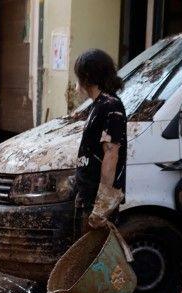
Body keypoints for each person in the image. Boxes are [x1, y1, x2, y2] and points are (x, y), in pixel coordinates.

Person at [71, 49, 126, 233]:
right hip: (87, 196)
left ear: (87, 77)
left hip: (96, 201)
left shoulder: (111, 106)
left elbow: (111, 155)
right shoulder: (98, 105)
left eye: (78, 75)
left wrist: (102, 206)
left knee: (95, 250)